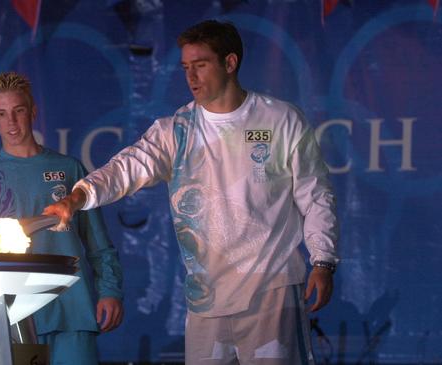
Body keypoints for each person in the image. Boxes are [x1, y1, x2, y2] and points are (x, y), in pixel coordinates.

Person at [44, 20, 338, 365]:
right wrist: (78, 196)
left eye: (201, 65)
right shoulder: (176, 131)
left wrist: (323, 260)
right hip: (206, 296)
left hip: (270, 289)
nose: (191, 77)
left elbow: (315, 194)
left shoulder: (281, 120)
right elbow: (127, 167)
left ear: (230, 63)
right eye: (186, 67)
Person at [0, 72, 124, 365]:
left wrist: (110, 290)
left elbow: (97, 241)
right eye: (2, 114)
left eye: (18, 111)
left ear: (33, 112)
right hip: (12, 314)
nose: (11, 122)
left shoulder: (68, 168)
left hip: (71, 307)